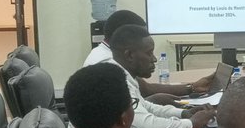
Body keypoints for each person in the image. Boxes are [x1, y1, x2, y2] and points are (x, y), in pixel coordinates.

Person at [108, 24, 216, 128]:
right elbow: (148, 127)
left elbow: (145, 106)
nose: (154, 59)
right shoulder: (116, 82)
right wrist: (191, 122)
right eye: (149, 53)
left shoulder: (123, 75)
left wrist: (184, 113)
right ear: (129, 55)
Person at [84, 10, 213, 103]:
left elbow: (145, 88)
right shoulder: (106, 63)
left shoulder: (108, 53)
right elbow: (139, 120)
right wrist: (186, 120)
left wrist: (191, 88)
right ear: (124, 34)